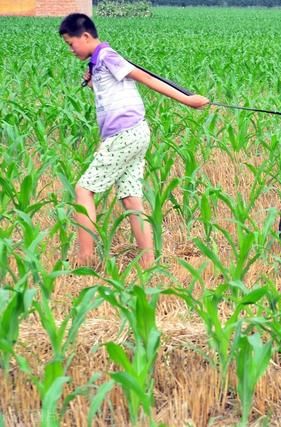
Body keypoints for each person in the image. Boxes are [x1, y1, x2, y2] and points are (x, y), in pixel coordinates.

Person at [59, 13, 210, 268]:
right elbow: (109, 99)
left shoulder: (108, 56)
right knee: (130, 197)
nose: (71, 50)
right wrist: (93, 82)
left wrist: (189, 100)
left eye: (71, 43)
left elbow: (148, 79)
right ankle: (148, 262)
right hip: (133, 134)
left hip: (125, 135)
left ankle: (84, 259)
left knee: (84, 190)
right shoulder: (98, 63)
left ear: (85, 36)